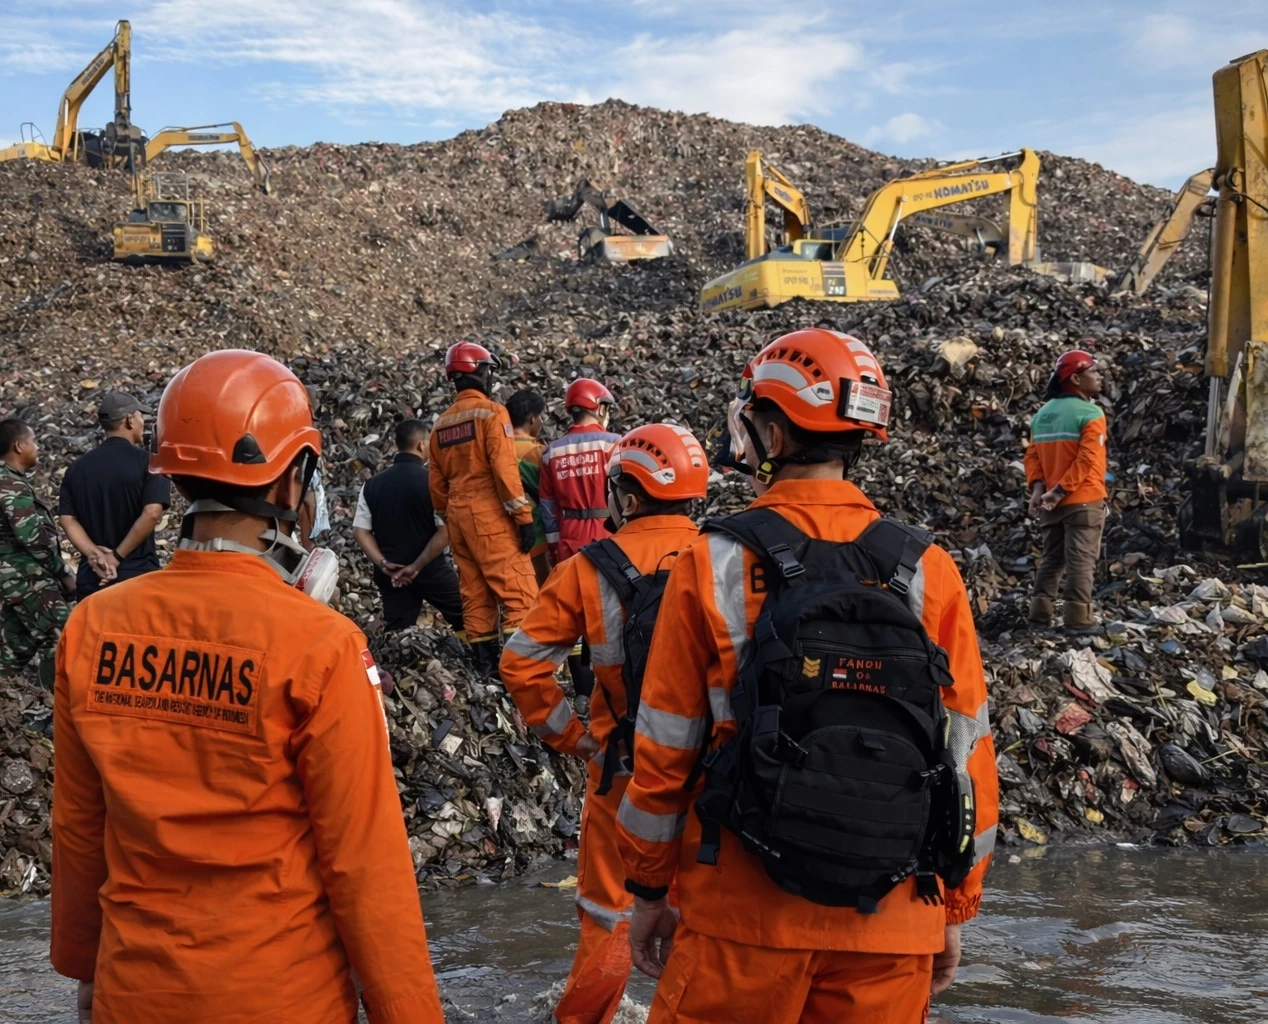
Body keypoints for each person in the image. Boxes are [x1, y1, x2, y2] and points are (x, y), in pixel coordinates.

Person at [51, 349, 444, 1024]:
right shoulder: (322, 646)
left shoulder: (92, 628)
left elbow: (81, 831)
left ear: (175, 480)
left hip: (135, 993)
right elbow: (365, 866)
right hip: (282, 997)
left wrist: (85, 968)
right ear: (294, 481)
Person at [618, 329, 998, 1023]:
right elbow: (966, 754)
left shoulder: (714, 562)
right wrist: (954, 906)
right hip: (892, 916)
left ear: (770, 428)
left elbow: (667, 746)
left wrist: (647, 888)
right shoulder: (926, 568)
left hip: (741, 914)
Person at [501, 423, 707, 1024]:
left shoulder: (588, 569)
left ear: (628, 495)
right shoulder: (729, 558)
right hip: (713, 774)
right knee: (707, 916)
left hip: (624, 771)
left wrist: (574, 735)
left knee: (609, 915)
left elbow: (522, 663)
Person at [428, 339, 538, 674]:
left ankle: (486, 669)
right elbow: (504, 472)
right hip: (488, 514)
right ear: (477, 371)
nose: (491, 377)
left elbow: (435, 484)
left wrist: (451, 515)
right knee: (519, 590)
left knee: (474, 592)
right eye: (488, 370)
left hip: (457, 518)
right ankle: (523, 672)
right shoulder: (492, 413)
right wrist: (523, 518)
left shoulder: (441, 425)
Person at [0, 418, 73, 688]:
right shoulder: (8, 483)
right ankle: (53, 709)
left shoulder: (4, 479)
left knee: (19, 647)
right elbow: (31, 538)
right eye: (34, 441)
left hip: (14, 572)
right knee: (60, 637)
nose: (38, 447)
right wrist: (62, 572)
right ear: (19, 446)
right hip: (22, 572)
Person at [352, 419, 464, 632]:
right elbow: (446, 531)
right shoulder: (433, 483)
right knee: (465, 616)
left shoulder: (372, 485)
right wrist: (416, 567)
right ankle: (481, 663)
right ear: (422, 445)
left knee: (398, 633)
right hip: (431, 570)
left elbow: (360, 532)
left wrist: (383, 563)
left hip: (391, 575)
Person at [57, 392, 170, 600]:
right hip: (138, 576)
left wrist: (95, 555)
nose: (142, 422)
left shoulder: (76, 468)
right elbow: (152, 513)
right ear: (129, 420)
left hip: (93, 578)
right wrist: (115, 558)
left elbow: (67, 519)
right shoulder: (150, 463)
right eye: (140, 417)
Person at [1025, 349, 1107, 630]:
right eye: (1093, 372)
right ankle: (1078, 620)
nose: (1099, 376)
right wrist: (1061, 490)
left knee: (1051, 560)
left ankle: (1039, 616)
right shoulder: (1090, 413)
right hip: (1082, 500)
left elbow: (1033, 457)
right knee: (1081, 561)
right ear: (1075, 378)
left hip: (1050, 503)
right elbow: (1087, 459)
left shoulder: (1042, 414)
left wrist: (1039, 491)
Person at [539, 378, 620, 564]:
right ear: (599, 408)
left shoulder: (550, 453)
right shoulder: (614, 444)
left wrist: (554, 547)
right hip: (608, 531)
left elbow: (548, 508)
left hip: (569, 536)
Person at [507, 388, 551, 582]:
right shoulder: (538, 453)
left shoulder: (496, 449)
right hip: (537, 538)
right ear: (533, 419)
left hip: (505, 538)